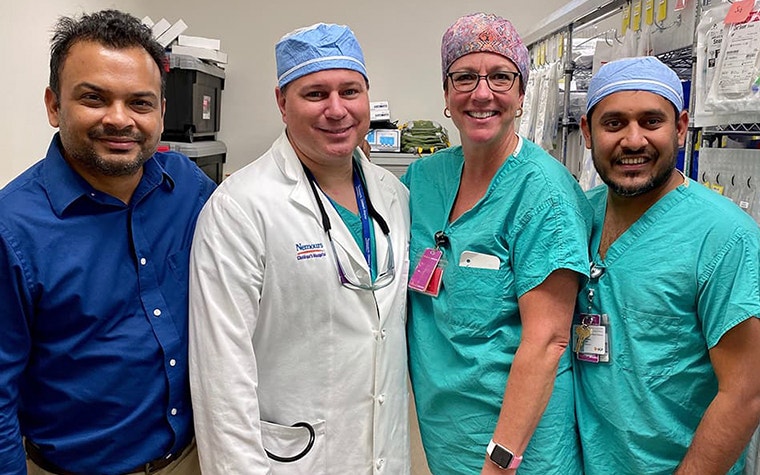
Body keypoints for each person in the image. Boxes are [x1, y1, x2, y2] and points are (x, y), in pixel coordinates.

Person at [0, 9, 216, 475]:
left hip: (193, 458)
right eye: (94, 98)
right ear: (54, 106)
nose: (119, 120)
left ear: (161, 111)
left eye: (140, 103)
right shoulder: (12, 230)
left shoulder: (189, 188)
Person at [188, 23, 411, 474]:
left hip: (382, 451)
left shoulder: (393, 195)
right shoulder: (240, 209)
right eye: (315, 94)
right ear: (282, 102)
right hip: (292, 458)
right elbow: (221, 381)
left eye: (350, 91)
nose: (336, 110)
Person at [403, 12, 591, 475]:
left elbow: (547, 341)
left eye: (500, 77)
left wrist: (501, 461)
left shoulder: (544, 193)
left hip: (518, 447)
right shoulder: (422, 179)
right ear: (446, 93)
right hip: (445, 429)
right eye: (465, 77)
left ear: (523, 94)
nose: (481, 93)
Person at [575, 56, 760, 475]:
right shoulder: (576, 218)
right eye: (614, 123)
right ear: (587, 132)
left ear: (680, 128)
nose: (634, 140)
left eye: (651, 122)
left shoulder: (724, 236)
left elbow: (745, 393)